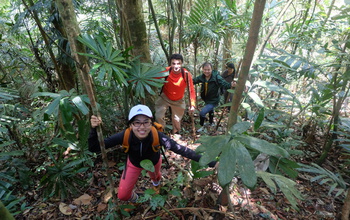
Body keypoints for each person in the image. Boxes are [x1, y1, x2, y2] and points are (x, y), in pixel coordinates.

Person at [88, 104, 215, 206]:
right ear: (131, 125)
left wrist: (212, 163)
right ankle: (138, 199)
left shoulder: (157, 135)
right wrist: (93, 129)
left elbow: (182, 150)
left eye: (146, 122)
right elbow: (94, 148)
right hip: (134, 164)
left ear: (151, 123)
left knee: (156, 179)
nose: (141, 127)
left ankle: (156, 185)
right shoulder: (125, 135)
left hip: (154, 163)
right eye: (137, 122)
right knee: (123, 196)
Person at [155, 54, 196, 134]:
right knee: (158, 116)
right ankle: (161, 132)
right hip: (165, 98)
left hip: (179, 100)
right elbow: (153, 77)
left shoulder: (186, 74)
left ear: (182, 64)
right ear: (170, 64)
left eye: (178, 63)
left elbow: (191, 90)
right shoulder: (165, 71)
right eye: (173, 63)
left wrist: (192, 104)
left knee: (177, 120)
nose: (176, 66)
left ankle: (175, 133)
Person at [193, 62, 234, 132]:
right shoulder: (202, 77)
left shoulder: (216, 77)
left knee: (202, 113)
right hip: (207, 99)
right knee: (211, 110)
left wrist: (231, 84)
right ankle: (211, 123)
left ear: (211, 69)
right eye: (205, 70)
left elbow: (225, 84)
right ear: (202, 69)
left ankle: (201, 126)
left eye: (208, 70)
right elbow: (193, 81)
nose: (207, 71)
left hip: (214, 100)